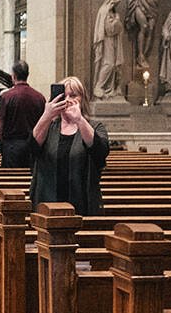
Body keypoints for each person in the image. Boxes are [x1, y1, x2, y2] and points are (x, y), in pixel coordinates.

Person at [27, 77, 110, 214]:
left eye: (73, 95)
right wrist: (46, 116)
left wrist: (79, 120)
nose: (67, 99)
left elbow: (100, 151)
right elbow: (32, 148)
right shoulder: (49, 127)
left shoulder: (95, 127)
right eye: (63, 95)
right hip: (48, 201)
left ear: (82, 99)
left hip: (82, 203)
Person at [0, 60, 46, 169]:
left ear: (13, 76)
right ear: (27, 75)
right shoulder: (40, 97)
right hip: (33, 147)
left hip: (11, 147)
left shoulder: (7, 97)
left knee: (9, 182)